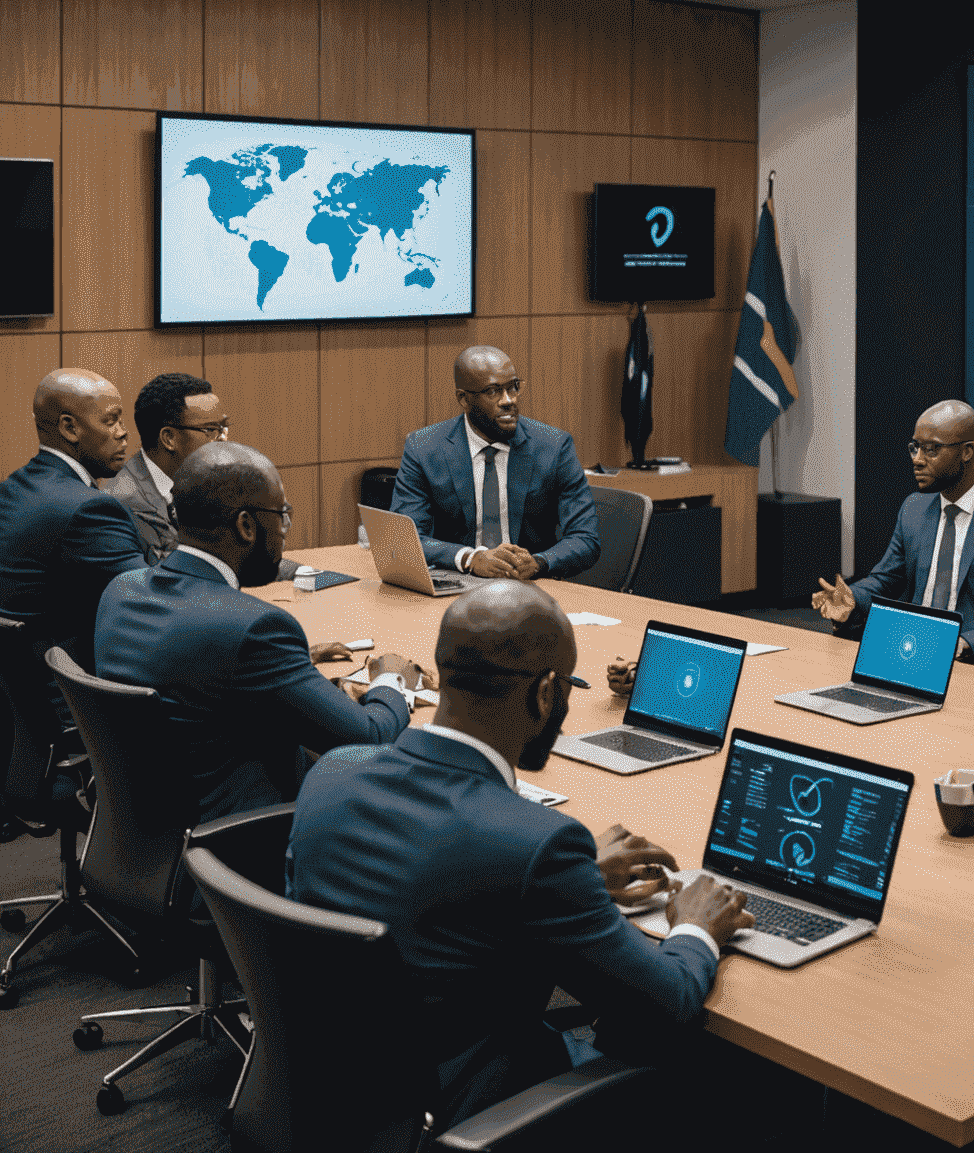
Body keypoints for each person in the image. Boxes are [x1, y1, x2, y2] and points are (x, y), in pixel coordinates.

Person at [286, 580, 752, 1128]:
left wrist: (573, 880)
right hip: (459, 1106)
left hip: (330, 1091)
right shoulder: (537, 843)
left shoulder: (332, 770)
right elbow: (665, 1004)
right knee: (718, 1068)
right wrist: (696, 929)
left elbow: (438, 884)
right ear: (545, 693)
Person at [94, 442, 421, 819]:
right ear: (246, 525)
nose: (285, 529)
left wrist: (305, 682)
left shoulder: (123, 588)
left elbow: (195, 672)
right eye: (281, 514)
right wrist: (392, 680)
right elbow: (370, 736)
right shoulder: (254, 629)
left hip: (147, 820)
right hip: (242, 831)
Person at [812, 400, 974, 670]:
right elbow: (885, 580)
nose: (917, 459)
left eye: (931, 450)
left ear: (966, 452)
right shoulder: (914, 508)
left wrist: (963, 643)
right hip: (911, 652)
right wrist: (852, 600)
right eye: (914, 447)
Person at [391, 346, 599, 579]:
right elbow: (405, 540)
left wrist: (539, 562)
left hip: (530, 587)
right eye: (493, 391)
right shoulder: (424, 448)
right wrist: (470, 558)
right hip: (460, 584)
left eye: (513, 387)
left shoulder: (553, 447)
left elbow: (585, 539)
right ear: (464, 398)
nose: (508, 401)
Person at [0, 369, 145, 675]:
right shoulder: (89, 509)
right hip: (73, 699)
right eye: (110, 420)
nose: (123, 432)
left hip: (20, 698)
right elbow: (153, 604)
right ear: (69, 427)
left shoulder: (14, 487)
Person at [106, 371, 227, 561]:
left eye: (224, 428)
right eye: (211, 430)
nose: (223, 440)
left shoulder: (200, 482)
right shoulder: (126, 504)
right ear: (169, 438)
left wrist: (292, 571)